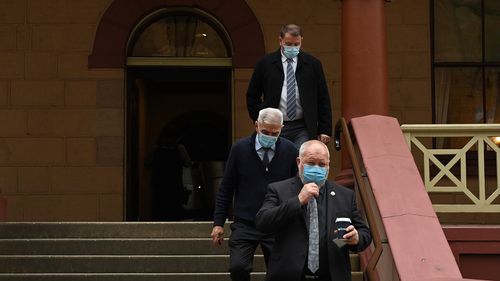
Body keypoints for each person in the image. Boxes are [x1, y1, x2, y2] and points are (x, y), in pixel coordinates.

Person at [255, 140, 372, 281]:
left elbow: (364, 233)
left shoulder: (345, 195)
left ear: (328, 165)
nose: (317, 168)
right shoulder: (278, 190)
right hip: (289, 275)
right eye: (311, 163)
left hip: (332, 275)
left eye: (322, 164)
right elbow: (262, 221)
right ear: (299, 162)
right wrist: (297, 201)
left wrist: (356, 238)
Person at [211, 108, 298, 281]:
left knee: (280, 272)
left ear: (281, 128)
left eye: (275, 133)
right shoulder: (239, 149)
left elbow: (296, 186)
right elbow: (226, 188)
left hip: (276, 222)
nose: (270, 136)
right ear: (256, 125)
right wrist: (218, 223)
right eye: (265, 132)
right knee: (238, 268)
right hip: (245, 223)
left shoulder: (290, 151)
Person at [246, 24, 332, 148]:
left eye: (296, 44)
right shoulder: (265, 64)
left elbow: (323, 98)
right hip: (274, 125)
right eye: (288, 44)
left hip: (303, 126)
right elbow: (252, 95)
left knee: (301, 160)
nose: (292, 47)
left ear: (301, 40)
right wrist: (260, 119)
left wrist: (325, 129)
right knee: (276, 161)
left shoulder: (313, 64)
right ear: (280, 41)